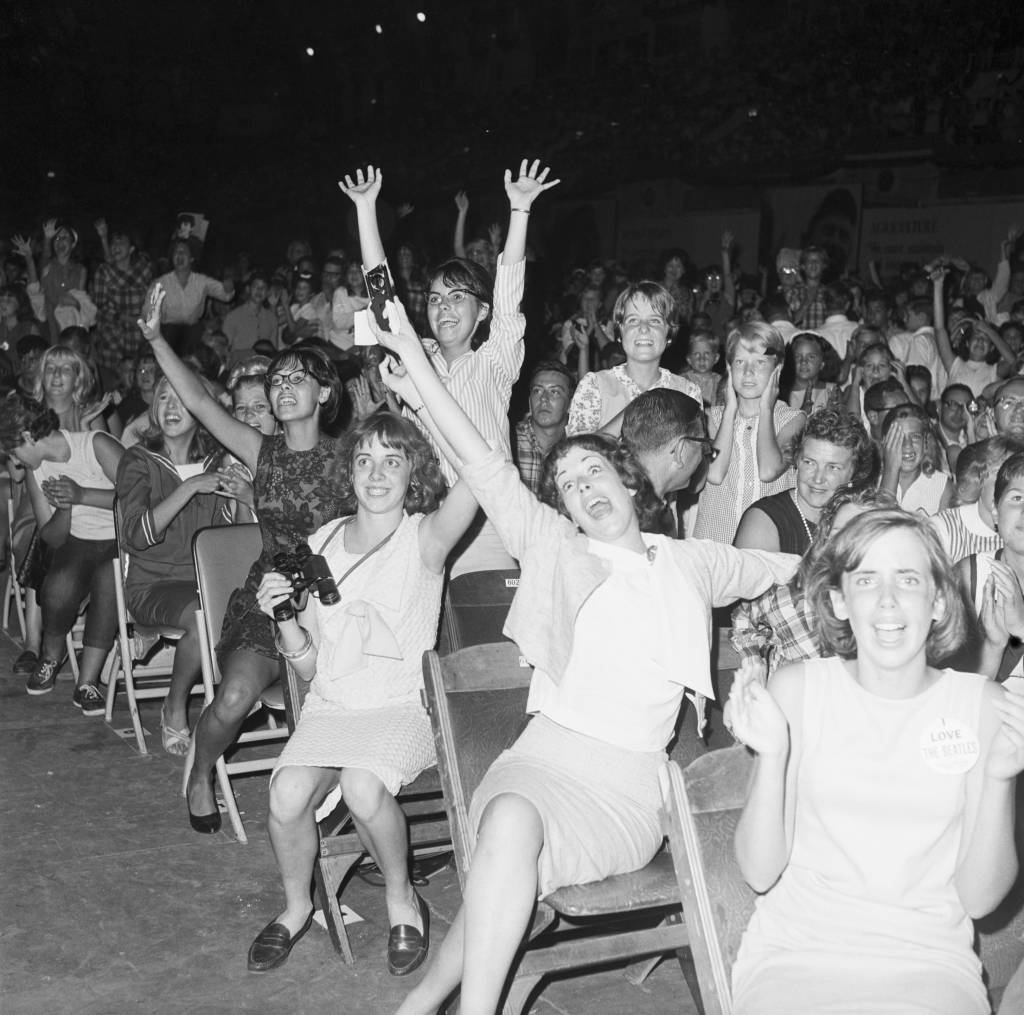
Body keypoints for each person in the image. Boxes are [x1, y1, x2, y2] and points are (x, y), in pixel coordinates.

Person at [363, 284, 799, 1015]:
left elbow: (782, 565)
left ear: (628, 480)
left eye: (594, 471)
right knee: (506, 827)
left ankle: (425, 999)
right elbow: (482, 462)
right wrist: (413, 354)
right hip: (542, 759)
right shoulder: (555, 547)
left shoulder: (689, 560)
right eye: (567, 483)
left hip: (627, 790)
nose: (582, 486)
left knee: (503, 871)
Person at [728, 508, 1024, 1015]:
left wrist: (999, 776)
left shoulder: (983, 707)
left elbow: (979, 900)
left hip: (931, 965)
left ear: (937, 600)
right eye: (867, 579)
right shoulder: (799, 689)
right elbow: (758, 872)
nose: (888, 601)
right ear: (840, 600)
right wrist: (773, 756)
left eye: (908, 579)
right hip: (796, 959)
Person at [246, 413, 478, 974]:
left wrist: (421, 387)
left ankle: (402, 898)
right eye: (365, 460)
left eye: (392, 461)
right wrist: (281, 618)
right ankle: (298, 906)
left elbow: (480, 472)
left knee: (362, 785)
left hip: (401, 708)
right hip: (333, 705)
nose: (377, 475)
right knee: (284, 794)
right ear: (349, 471)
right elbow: (307, 668)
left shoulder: (425, 537)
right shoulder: (320, 542)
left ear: (412, 474)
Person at [137, 284, 348, 834]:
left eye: (296, 379)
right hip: (269, 597)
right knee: (231, 698)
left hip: (336, 602)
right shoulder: (262, 451)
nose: (282, 389)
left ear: (325, 393)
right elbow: (203, 403)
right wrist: (158, 339)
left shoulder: (352, 458)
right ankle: (202, 772)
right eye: (276, 381)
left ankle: (338, 800)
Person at [340, 158, 559, 575]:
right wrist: (367, 211)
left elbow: (510, 290)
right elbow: (383, 301)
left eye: (458, 297)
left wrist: (520, 211)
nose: (444, 307)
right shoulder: (414, 358)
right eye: (437, 298)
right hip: (425, 518)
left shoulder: (495, 360)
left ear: (481, 313)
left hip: (491, 524)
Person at [115, 374, 236, 754]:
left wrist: (239, 493)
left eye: (181, 399)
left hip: (208, 582)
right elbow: (134, 535)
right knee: (204, 618)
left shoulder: (219, 460)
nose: (170, 407)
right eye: (163, 397)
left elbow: (231, 535)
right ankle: (175, 704)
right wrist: (188, 487)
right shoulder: (139, 461)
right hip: (153, 584)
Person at [0, 394, 124, 714]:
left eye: (13, 452)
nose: (14, 462)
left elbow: (139, 497)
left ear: (28, 436)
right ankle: (52, 657)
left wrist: (82, 494)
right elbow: (51, 536)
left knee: (108, 584)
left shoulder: (95, 445)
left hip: (119, 539)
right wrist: (66, 509)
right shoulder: (36, 470)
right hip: (77, 541)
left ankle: (88, 681)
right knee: (57, 587)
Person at [732, 487, 897, 677]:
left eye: (861, 533)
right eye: (838, 532)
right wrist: (753, 660)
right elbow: (743, 617)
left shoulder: (896, 606)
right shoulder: (788, 594)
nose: (846, 542)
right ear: (826, 538)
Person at [692, 321, 805, 543]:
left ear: (777, 369)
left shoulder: (792, 419)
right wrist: (730, 410)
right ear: (728, 368)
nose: (748, 372)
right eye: (740, 362)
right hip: (717, 546)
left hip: (768, 546)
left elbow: (769, 470)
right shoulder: (711, 418)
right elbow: (714, 474)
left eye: (760, 363)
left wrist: (765, 409)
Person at [566, 281, 702, 438]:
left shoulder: (688, 392)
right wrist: (636, 408)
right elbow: (576, 455)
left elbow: (694, 458)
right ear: (621, 330)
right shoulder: (594, 386)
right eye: (633, 320)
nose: (643, 328)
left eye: (655, 320)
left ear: (668, 332)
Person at [734, 407, 874, 555]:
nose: (818, 479)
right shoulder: (762, 521)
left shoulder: (861, 520)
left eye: (833, 467)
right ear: (796, 461)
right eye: (810, 463)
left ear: (854, 472)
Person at [932, 436, 1024, 563]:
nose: (1006, 486)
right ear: (979, 478)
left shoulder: (1018, 529)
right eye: (1000, 475)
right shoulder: (944, 528)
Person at [90, 221, 153, 373]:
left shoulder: (144, 271)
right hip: (112, 338)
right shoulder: (103, 271)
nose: (116, 246)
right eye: (113, 243)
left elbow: (151, 301)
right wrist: (128, 319)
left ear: (131, 248)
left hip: (138, 338)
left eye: (121, 242)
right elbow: (101, 305)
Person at [155, 238, 234, 353]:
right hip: (167, 332)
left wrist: (228, 288)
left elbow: (225, 294)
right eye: (177, 252)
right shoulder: (161, 282)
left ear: (192, 258)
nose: (180, 255)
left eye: (184, 252)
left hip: (191, 333)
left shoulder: (202, 281)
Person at [878, 403, 952, 516]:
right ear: (885, 442)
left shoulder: (941, 485)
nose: (907, 445)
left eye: (915, 436)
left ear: (926, 442)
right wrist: (891, 470)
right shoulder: (870, 481)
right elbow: (877, 526)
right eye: (899, 437)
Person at [512, 360, 574, 494]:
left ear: (570, 405)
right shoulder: (509, 441)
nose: (544, 399)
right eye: (537, 391)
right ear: (529, 401)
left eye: (554, 392)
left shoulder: (576, 448)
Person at [222, 271, 279, 364]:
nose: (259, 290)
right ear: (248, 289)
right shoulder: (233, 316)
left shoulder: (272, 319)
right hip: (239, 369)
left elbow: (274, 351)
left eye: (263, 287)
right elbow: (224, 350)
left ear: (268, 292)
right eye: (256, 286)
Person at [779, 332, 839, 414]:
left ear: (822, 363)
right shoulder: (780, 394)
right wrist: (802, 413)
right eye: (797, 356)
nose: (803, 362)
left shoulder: (832, 392)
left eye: (811, 357)